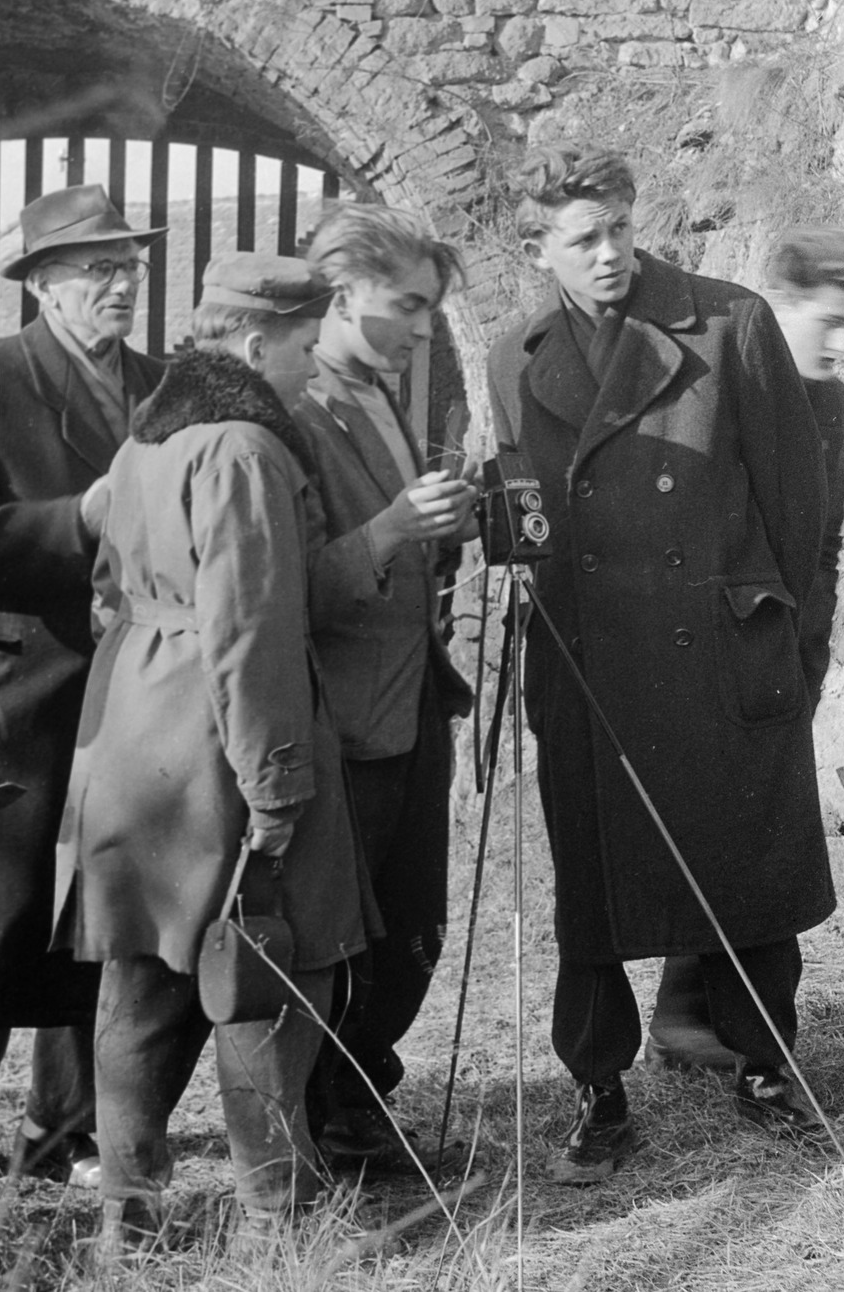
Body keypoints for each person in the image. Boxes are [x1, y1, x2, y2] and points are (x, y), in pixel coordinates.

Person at [485, 146, 833, 1185]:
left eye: (619, 230)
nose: (608, 254)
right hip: (589, 658)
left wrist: (777, 632)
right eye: (583, 238)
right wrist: (503, 533)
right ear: (536, 246)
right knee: (592, 886)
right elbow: (530, 508)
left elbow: (795, 497)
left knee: (746, 863)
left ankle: (766, 1066)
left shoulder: (728, 323)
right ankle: (599, 1089)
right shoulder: (515, 354)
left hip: (716, 643)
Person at [53, 252, 373, 1258]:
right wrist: (274, 786)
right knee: (265, 969)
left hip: (134, 736)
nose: (312, 368)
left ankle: (127, 1222)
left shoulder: (148, 444)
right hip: (217, 747)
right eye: (301, 345)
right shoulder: (243, 450)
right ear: (249, 344)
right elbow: (254, 631)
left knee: (142, 982)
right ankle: (279, 1228)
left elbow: (106, 586)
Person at [0, 185, 167, 1189]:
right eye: (96, 267)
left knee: (93, 909)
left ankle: (69, 1135)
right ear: (42, 283)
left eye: (128, 264)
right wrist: (86, 516)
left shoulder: (161, 382)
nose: (118, 282)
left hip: (124, 697)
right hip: (3, 697)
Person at [647, 226, 844, 1071]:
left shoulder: (836, 408)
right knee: (716, 825)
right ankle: (698, 1020)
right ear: (776, 303)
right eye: (828, 319)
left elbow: (822, 545)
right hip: (702, 651)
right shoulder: (712, 390)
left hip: (785, 654)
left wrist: (808, 656)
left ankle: (701, 1019)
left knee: (760, 833)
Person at [294, 203, 477, 1165]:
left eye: (430, 310)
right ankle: (324, 1114)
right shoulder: (289, 403)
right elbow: (284, 585)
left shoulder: (381, 391)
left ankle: (364, 1087)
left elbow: (405, 541)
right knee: (341, 932)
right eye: (407, 307)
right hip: (340, 718)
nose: (420, 329)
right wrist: (396, 528)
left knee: (413, 922)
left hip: (412, 703)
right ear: (343, 290)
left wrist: (454, 520)